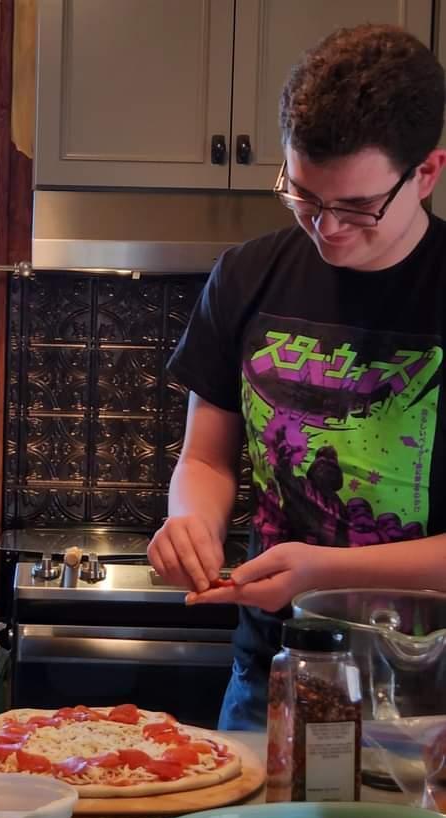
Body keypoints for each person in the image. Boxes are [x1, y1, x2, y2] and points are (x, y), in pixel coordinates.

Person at [147, 23, 446, 730]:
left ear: (426, 172)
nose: (326, 228)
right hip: (275, 675)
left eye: (355, 206)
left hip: (432, 700)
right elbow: (204, 458)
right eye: (303, 196)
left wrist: (324, 570)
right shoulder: (247, 276)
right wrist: (190, 520)